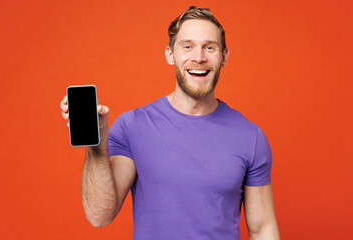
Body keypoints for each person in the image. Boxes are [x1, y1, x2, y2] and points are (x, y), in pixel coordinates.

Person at [60, 6, 280, 240]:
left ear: (224, 56)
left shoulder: (250, 136)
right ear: (170, 54)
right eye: (187, 46)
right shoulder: (132, 127)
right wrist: (96, 146)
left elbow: (263, 228)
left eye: (209, 47)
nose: (198, 57)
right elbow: (99, 215)